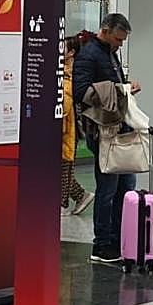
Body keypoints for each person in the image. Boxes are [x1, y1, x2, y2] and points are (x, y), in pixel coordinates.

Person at [73, 12, 141, 265]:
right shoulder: (89, 54)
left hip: (117, 127)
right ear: (105, 30)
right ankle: (102, 244)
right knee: (108, 189)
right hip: (101, 131)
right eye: (117, 39)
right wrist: (118, 90)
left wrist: (123, 89)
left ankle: (117, 239)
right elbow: (79, 92)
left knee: (126, 186)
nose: (120, 44)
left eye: (122, 41)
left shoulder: (110, 53)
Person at [60, 33, 95, 216]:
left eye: (63, 48)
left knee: (63, 169)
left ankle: (63, 204)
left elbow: (64, 106)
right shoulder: (64, 72)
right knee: (62, 169)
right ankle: (82, 195)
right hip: (64, 132)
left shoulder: (69, 76)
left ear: (71, 53)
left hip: (67, 131)